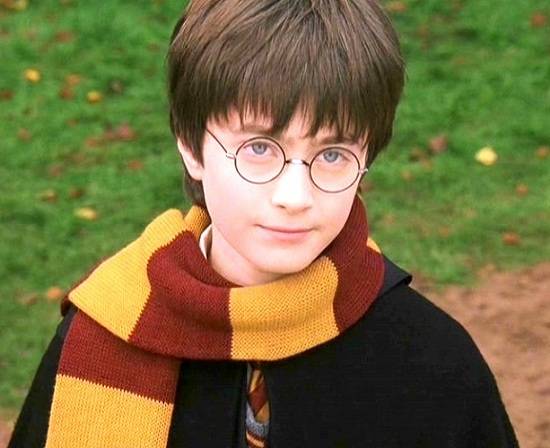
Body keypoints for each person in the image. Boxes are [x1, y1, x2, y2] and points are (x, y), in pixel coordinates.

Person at [9, 1, 519, 447]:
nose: (294, 197)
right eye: (258, 148)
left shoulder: (433, 364)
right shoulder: (100, 339)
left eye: (333, 154)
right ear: (191, 146)